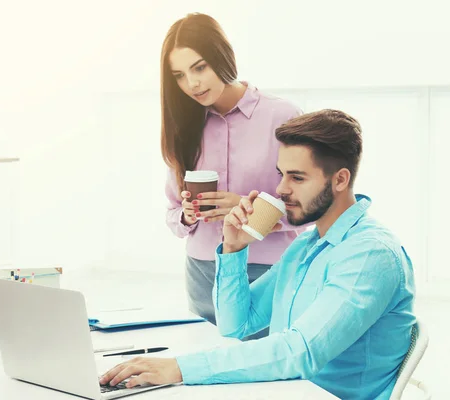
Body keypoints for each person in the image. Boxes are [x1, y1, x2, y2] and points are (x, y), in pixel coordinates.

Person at [101, 109, 417, 400]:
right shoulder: (307, 245)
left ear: (340, 179)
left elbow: (301, 351)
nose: (280, 189)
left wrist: (180, 368)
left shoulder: (370, 253)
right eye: (281, 174)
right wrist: (234, 248)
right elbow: (237, 324)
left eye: (297, 177)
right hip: (283, 390)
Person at [161, 12, 304, 337]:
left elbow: (310, 212)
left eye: (199, 67)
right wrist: (185, 216)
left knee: (262, 375)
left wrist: (250, 210)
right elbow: (172, 214)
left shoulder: (282, 116)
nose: (192, 83)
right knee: (203, 373)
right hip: (202, 270)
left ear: (222, 56)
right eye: (179, 75)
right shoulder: (182, 127)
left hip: (266, 270)